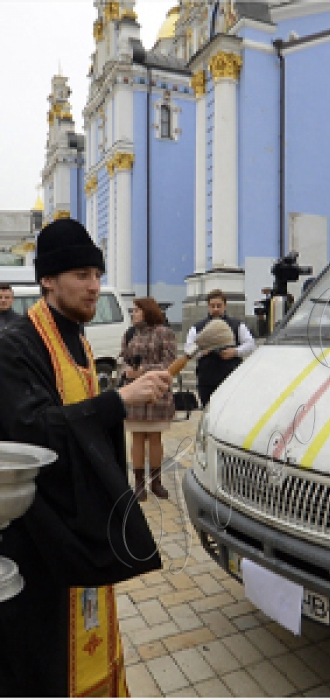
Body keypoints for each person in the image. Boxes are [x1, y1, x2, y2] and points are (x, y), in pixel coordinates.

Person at [0, 218, 172, 696]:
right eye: (81, 274)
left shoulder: (75, 334)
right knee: (45, 654)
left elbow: (78, 419)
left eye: (97, 274)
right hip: (38, 538)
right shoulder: (16, 346)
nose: (95, 286)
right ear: (48, 280)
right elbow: (30, 434)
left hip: (76, 522)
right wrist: (118, 402)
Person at [120, 296, 177, 502]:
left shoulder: (164, 332)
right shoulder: (130, 334)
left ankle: (156, 482)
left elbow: (169, 365)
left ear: (147, 311)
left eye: (136, 310)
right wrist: (127, 371)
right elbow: (121, 360)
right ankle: (138, 484)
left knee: (154, 438)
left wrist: (143, 371)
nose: (133, 313)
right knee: (136, 438)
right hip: (134, 393)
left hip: (157, 394)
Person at [185, 288, 256, 406]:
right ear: (208, 306)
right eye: (212, 306)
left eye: (219, 305)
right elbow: (188, 349)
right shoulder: (197, 327)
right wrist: (202, 352)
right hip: (206, 379)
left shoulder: (237, 325)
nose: (216, 309)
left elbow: (250, 344)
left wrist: (235, 352)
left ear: (225, 306)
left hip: (231, 377)